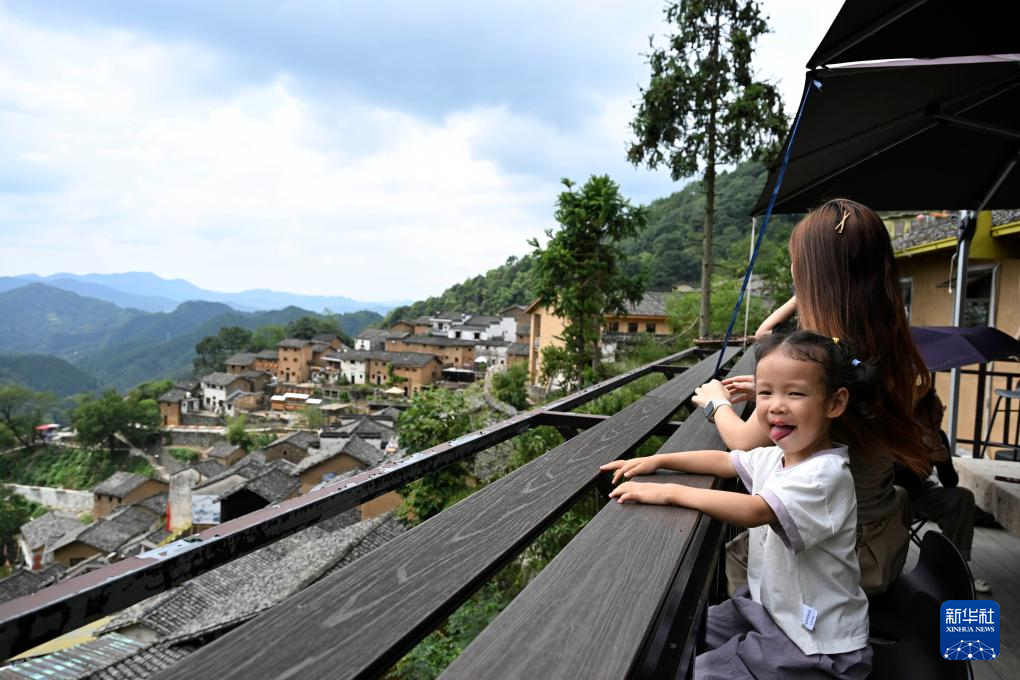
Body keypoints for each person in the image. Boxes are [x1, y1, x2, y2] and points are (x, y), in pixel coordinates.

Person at [693, 198, 937, 594]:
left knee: (737, 562)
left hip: (838, 561)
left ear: (811, 277)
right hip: (882, 537)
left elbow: (741, 441)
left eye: (798, 265)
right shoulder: (886, 350)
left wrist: (715, 401)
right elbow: (767, 337)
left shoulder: (828, 356)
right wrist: (791, 393)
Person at [601, 331, 874, 679]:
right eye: (766, 392)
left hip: (813, 643)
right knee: (672, 635)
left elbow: (756, 510)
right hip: (772, 611)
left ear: (835, 403)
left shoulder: (824, 475)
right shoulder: (779, 456)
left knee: (694, 668)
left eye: (795, 393)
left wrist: (669, 492)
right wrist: (659, 460)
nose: (776, 405)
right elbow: (726, 461)